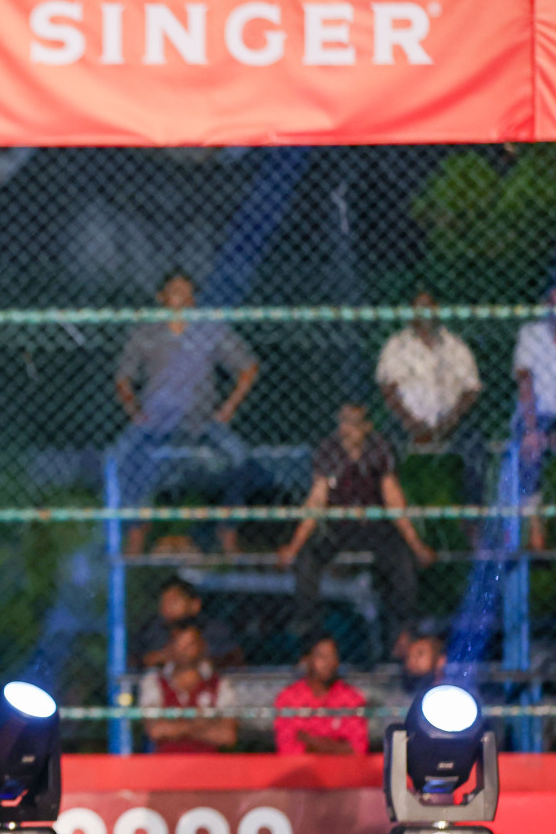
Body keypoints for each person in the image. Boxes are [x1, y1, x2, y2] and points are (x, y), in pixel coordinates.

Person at [112, 270, 259, 556]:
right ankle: (136, 532)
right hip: (156, 422)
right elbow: (123, 378)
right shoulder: (146, 332)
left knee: (240, 457)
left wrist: (228, 408)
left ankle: (227, 529)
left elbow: (248, 368)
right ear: (162, 297)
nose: (183, 297)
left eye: (188, 292)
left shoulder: (209, 329)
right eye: (176, 291)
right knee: (122, 457)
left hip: (201, 421)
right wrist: (135, 412)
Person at [279, 404, 434, 649]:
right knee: (308, 558)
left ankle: (403, 629)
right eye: (342, 422)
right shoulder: (329, 450)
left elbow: (393, 499)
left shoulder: (378, 448)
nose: (346, 429)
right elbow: (316, 501)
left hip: (372, 525)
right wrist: (293, 546)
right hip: (339, 526)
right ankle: (308, 626)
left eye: (353, 423)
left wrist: (417, 546)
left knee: (401, 558)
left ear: (366, 426)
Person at [375, 287, 484, 508]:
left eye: (429, 305)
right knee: (384, 447)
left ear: (437, 309)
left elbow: (471, 389)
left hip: (451, 421)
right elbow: (388, 389)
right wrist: (411, 423)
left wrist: (450, 421)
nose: (425, 311)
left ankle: (472, 518)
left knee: (476, 447)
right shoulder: (397, 345)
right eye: (419, 306)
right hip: (406, 422)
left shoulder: (455, 345)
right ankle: (396, 514)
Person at [136, 621, 237, 752]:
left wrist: (176, 728)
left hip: (209, 765)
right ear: (169, 647)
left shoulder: (220, 684)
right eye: (180, 644)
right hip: (165, 765)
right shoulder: (154, 681)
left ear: (202, 646)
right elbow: (156, 731)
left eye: (190, 644)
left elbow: (227, 736)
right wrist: (199, 725)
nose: (185, 651)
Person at [273, 633, 368, 756]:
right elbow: (288, 751)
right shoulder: (289, 698)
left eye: (332, 656)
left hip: (343, 772)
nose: (328, 663)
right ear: (306, 660)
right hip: (303, 772)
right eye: (321, 657)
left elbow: (357, 751)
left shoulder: (351, 698)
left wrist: (310, 741)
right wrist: (338, 746)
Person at [513, 302, 556, 548]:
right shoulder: (531, 334)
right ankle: (535, 530)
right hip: (537, 413)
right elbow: (525, 383)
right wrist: (532, 430)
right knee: (528, 449)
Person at [134, 576, 240, 669]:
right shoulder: (153, 629)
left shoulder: (214, 630)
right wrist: (153, 659)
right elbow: (134, 660)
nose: (167, 607)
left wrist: (193, 659)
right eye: (163, 602)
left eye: (174, 601)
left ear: (195, 604)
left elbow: (234, 660)